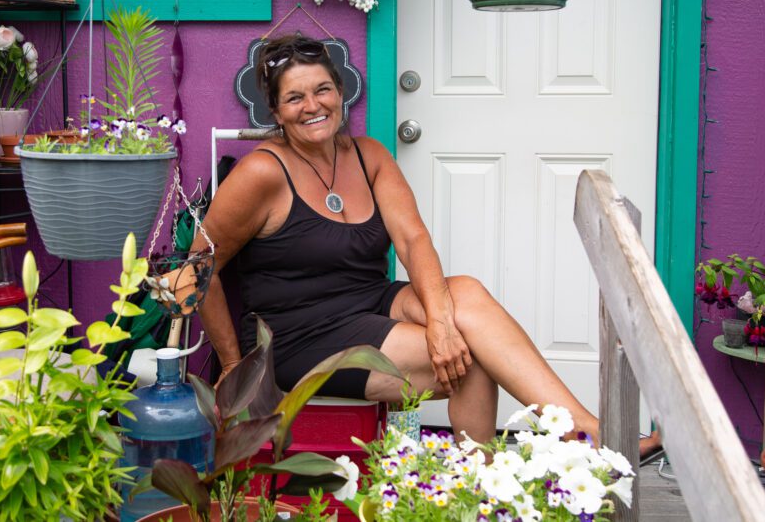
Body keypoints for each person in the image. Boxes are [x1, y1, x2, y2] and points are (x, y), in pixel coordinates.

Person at [193, 34, 660, 452]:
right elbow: (198, 266)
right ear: (275, 112)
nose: (312, 105)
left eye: (322, 90)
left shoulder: (369, 155)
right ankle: (490, 477)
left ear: (341, 93)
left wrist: (440, 323)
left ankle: (580, 429)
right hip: (298, 335)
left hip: (368, 303)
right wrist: (236, 366)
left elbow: (414, 240)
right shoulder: (262, 173)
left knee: (465, 297)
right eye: (294, 97)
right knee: (471, 357)